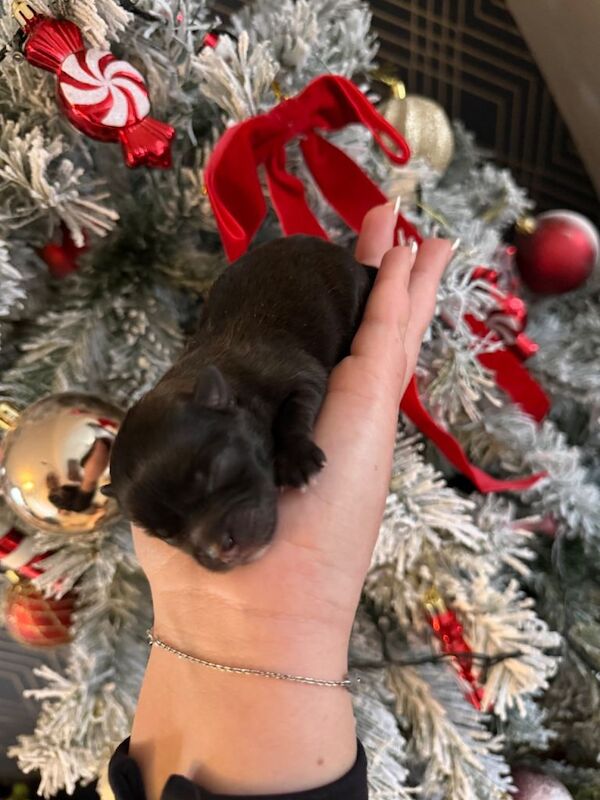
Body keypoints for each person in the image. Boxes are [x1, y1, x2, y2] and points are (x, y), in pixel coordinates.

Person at [108, 203, 454, 799]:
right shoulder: (197, 426)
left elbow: (302, 379)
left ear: (225, 403)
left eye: (216, 480)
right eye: (174, 532)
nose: (212, 541)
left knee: (372, 304)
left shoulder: (250, 370)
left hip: (319, 287)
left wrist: (293, 440)